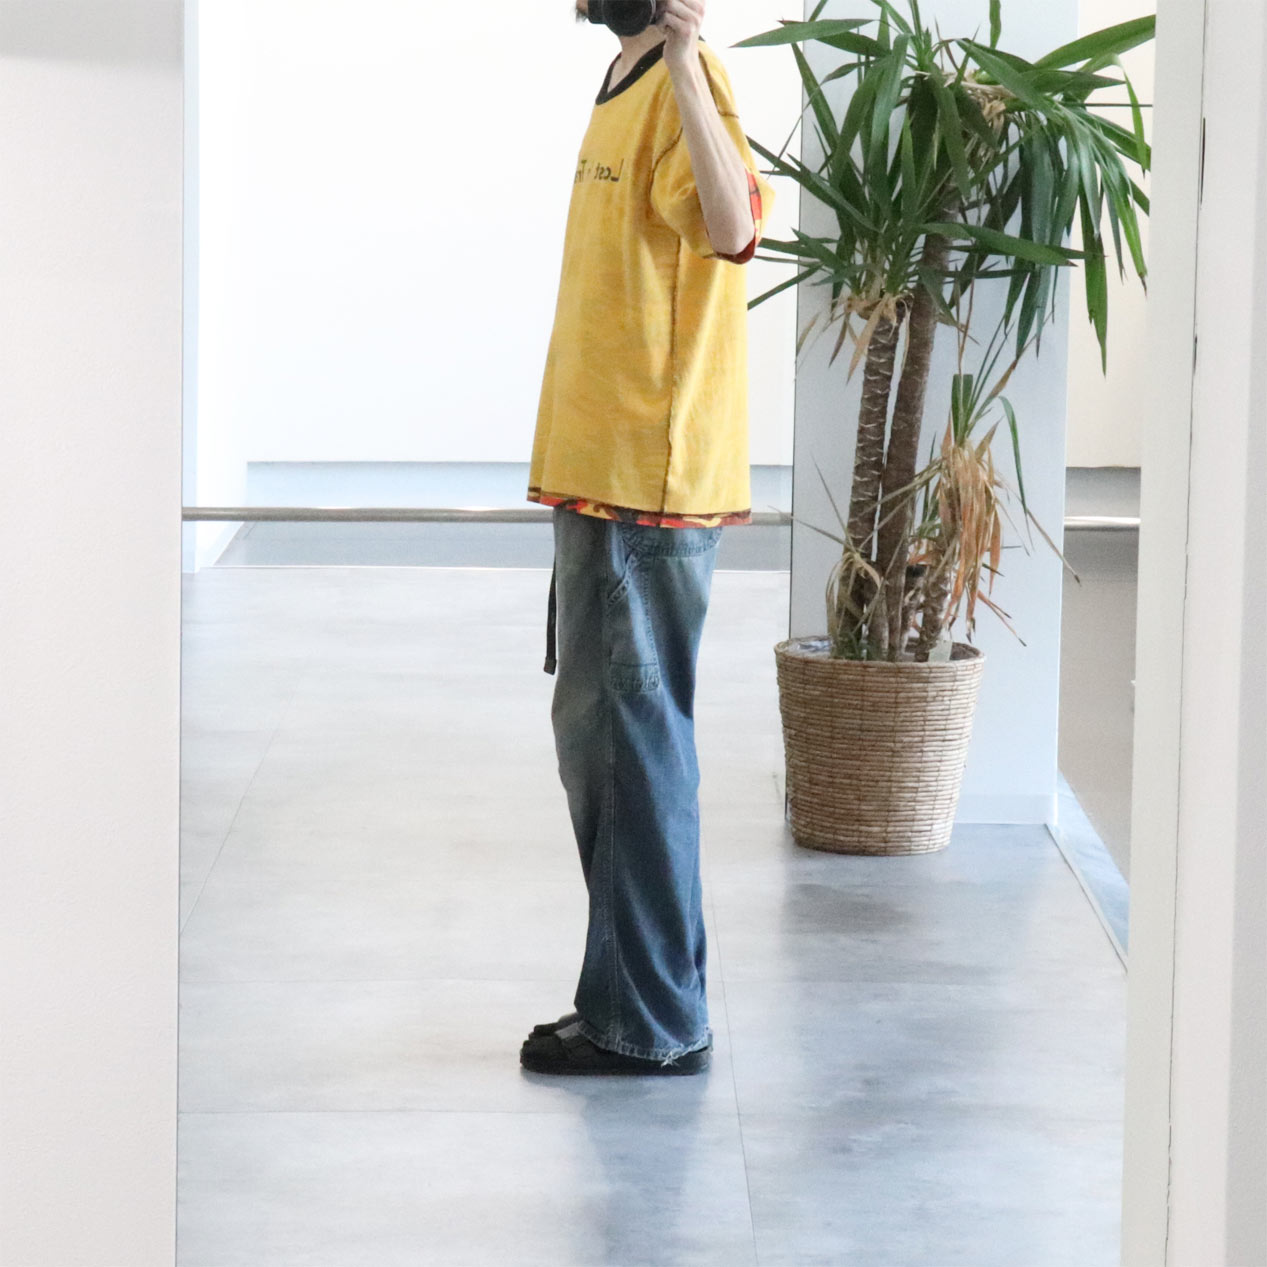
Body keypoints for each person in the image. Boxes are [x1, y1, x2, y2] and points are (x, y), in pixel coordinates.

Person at [519, 0, 774, 1076]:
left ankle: (649, 1022)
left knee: (632, 746)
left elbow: (732, 228)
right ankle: (639, 999)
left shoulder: (683, 82)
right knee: (604, 744)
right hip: (600, 475)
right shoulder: (625, 77)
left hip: (646, 482)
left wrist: (686, 57)